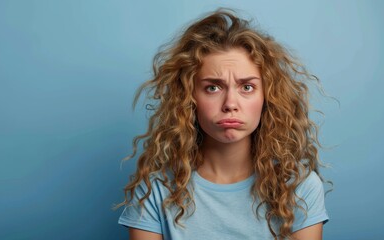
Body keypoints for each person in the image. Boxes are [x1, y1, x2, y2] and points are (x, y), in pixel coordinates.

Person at [117, 9, 329, 240]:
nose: (230, 104)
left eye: (247, 87)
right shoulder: (154, 189)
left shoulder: (299, 186)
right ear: (189, 98)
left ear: (267, 97)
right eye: (213, 87)